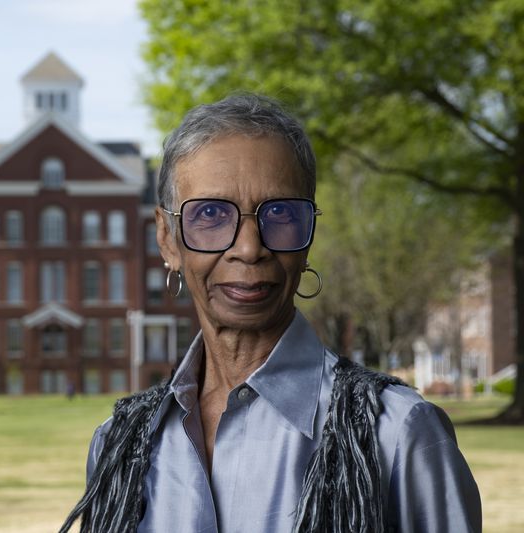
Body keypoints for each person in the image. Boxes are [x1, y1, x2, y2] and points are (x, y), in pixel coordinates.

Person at [60, 93, 481, 533]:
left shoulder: (398, 436)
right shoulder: (118, 445)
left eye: (279, 212)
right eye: (210, 213)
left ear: (309, 233)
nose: (248, 248)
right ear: (167, 239)